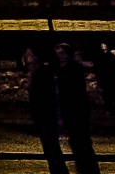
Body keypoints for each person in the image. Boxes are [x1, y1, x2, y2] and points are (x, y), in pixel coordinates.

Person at [27, 46, 97, 174]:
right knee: (71, 146)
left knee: (77, 145)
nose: (28, 59)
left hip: (66, 114)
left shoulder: (58, 71)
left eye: (62, 53)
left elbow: (74, 95)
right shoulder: (54, 71)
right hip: (59, 114)